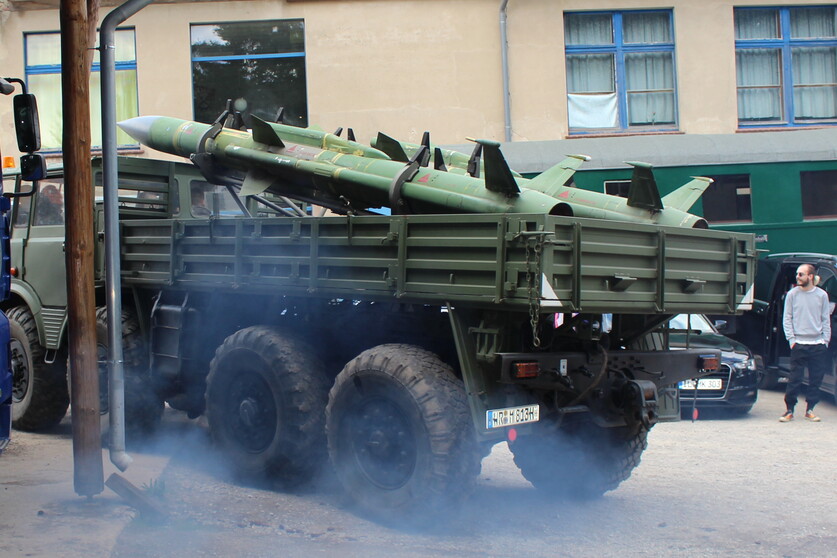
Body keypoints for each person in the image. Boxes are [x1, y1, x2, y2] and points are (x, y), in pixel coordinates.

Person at [779, 264, 831, 422]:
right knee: (795, 377)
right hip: (799, 342)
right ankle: (789, 410)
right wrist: (792, 340)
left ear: (810, 276)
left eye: (801, 274)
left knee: (816, 378)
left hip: (817, 343)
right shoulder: (792, 294)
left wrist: (825, 340)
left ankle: (810, 409)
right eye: (797, 274)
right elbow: (787, 318)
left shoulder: (821, 295)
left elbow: (825, 319)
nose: (797, 277)